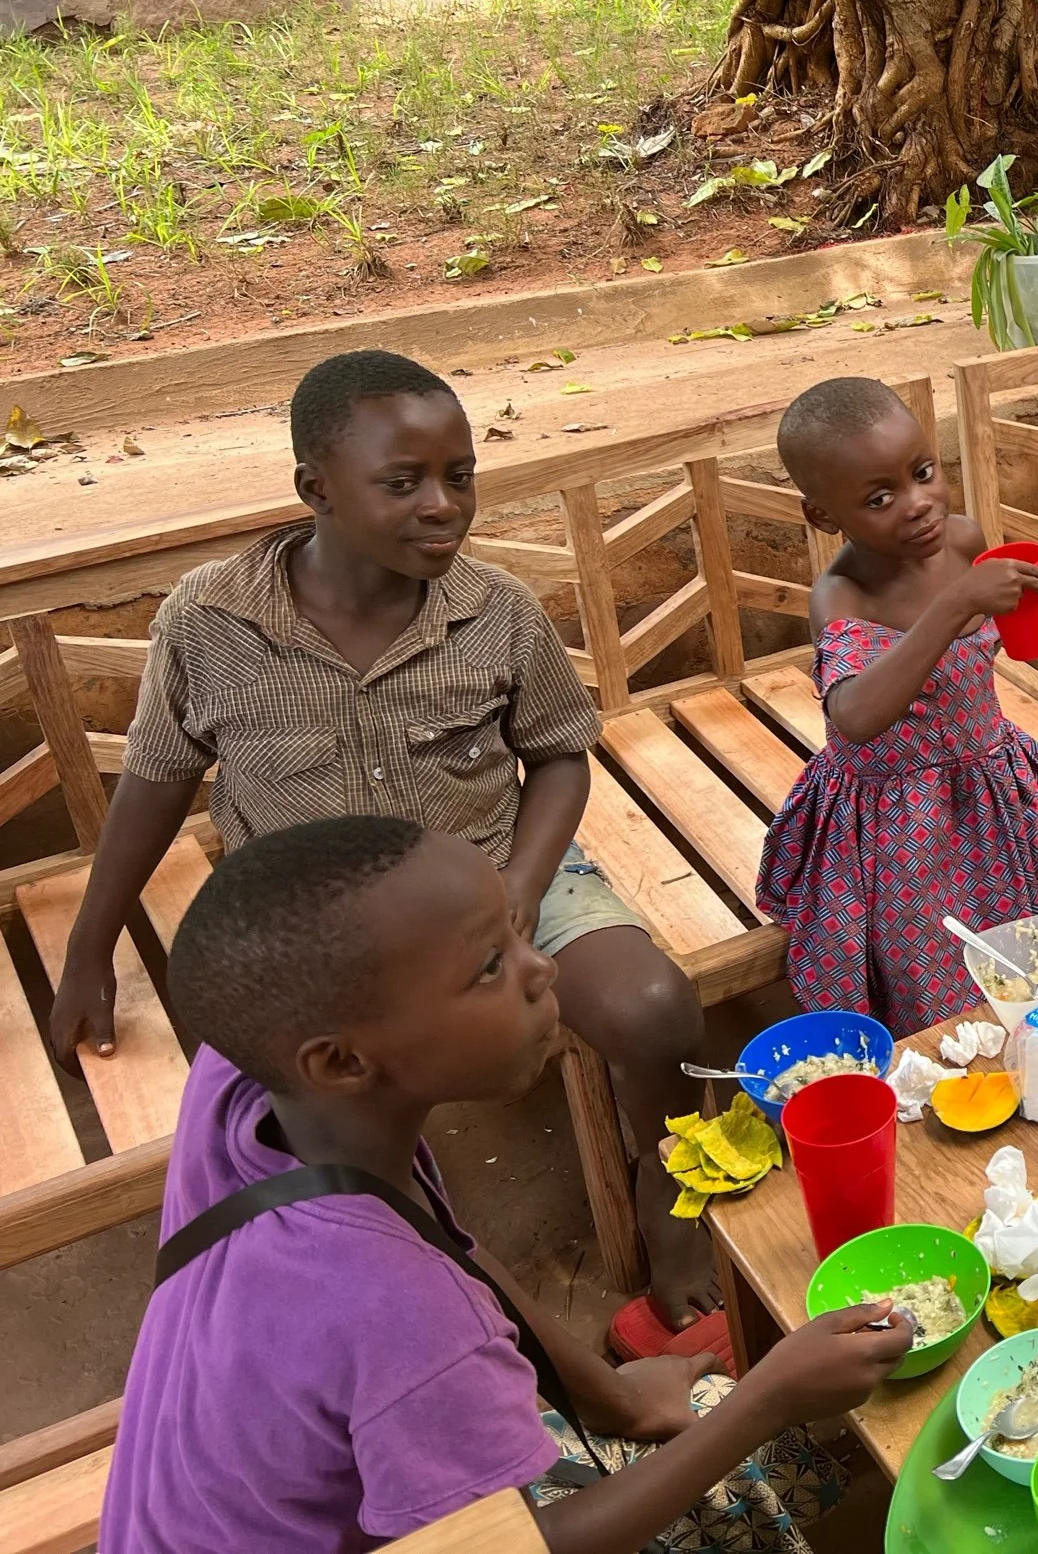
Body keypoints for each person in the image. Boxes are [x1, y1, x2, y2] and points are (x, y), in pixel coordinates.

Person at [45, 352, 719, 1327]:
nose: (443, 505)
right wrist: (89, 948)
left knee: (655, 1009)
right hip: (310, 921)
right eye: (401, 483)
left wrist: (523, 889)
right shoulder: (211, 619)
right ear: (315, 489)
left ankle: (673, 1207)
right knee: (285, 1104)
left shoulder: (495, 614)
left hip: (491, 871)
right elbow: (157, 777)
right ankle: (398, 1280)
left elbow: (560, 758)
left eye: (460, 476)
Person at [99, 815, 912, 1554]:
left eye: (517, 934)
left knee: (696, 1427)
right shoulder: (395, 1308)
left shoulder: (248, 1086)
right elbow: (525, 1546)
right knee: (731, 1429)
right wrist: (765, 1400)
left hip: (223, 1492)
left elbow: (450, 1243)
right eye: (490, 965)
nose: (543, 968)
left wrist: (616, 1402)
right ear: (342, 1060)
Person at [757, 377, 1038, 1034]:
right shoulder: (841, 594)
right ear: (824, 515)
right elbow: (856, 715)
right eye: (879, 497)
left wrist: (1015, 608)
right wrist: (955, 605)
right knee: (945, 970)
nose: (918, 503)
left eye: (924, 472)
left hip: (994, 774)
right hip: (891, 817)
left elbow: (994, 647)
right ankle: (968, 1075)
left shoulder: (962, 540)